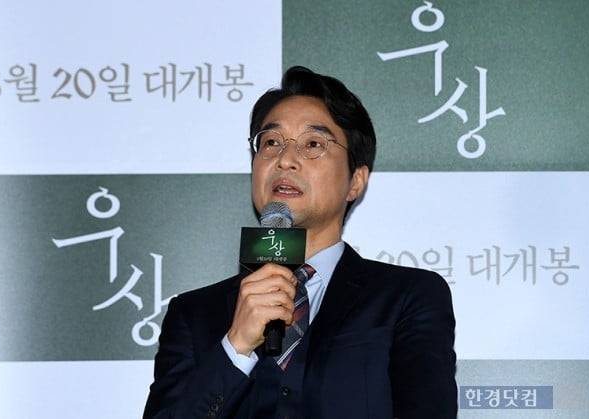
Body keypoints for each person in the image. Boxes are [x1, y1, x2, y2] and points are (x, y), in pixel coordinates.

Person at [143, 66, 457, 418]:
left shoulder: (407, 297)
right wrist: (236, 347)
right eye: (271, 142)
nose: (286, 160)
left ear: (355, 181)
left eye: (313, 145)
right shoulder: (193, 314)